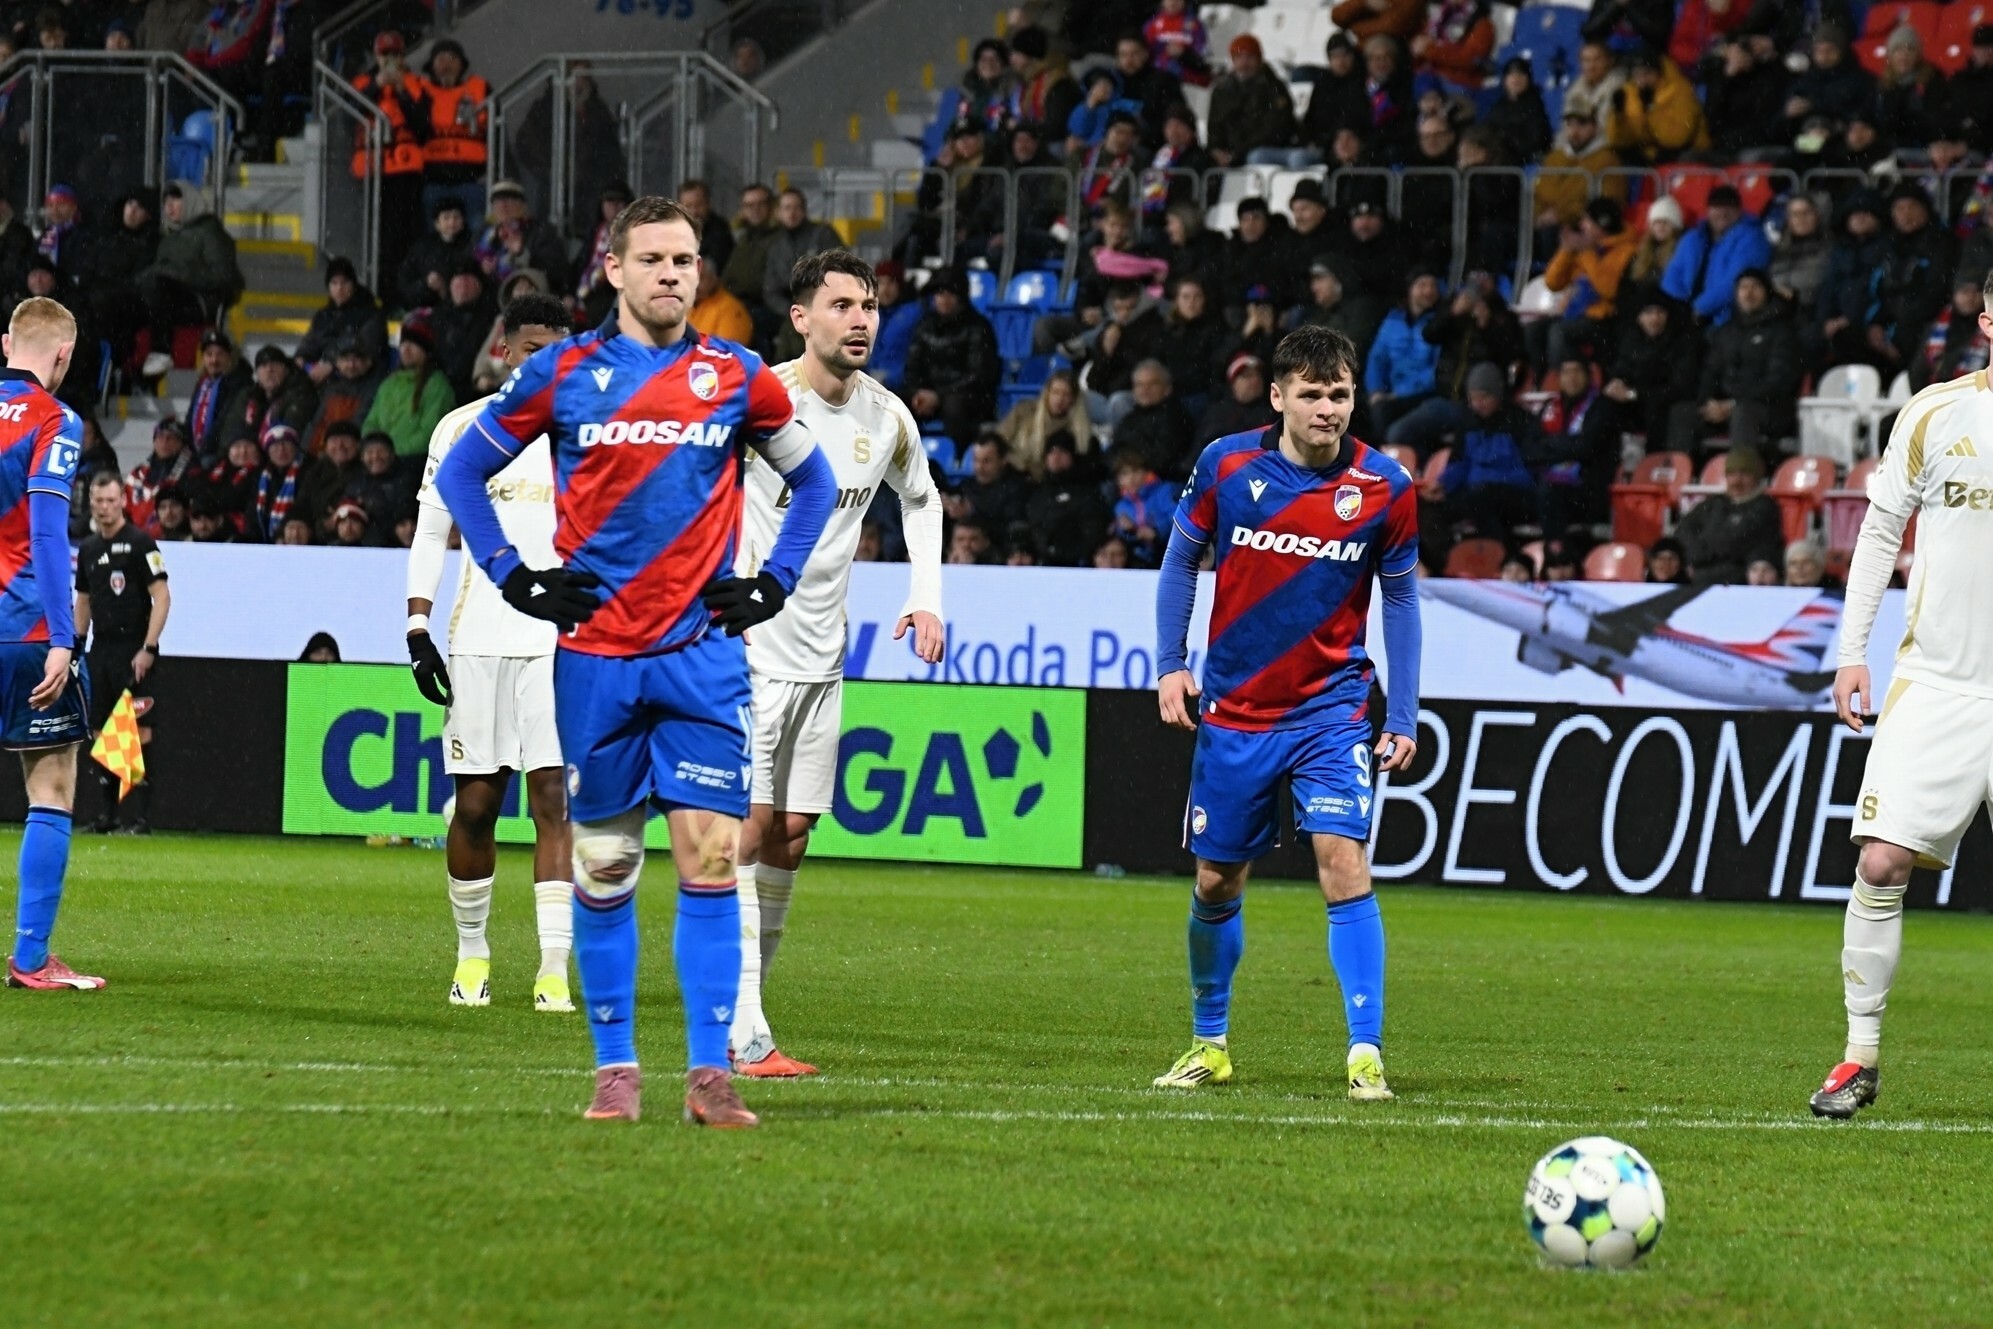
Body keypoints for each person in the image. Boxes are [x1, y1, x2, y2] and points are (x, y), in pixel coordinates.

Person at [432, 196, 838, 1128]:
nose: (670, 274)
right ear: (613, 269)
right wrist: (514, 575)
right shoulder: (563, 371)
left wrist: (774, 581)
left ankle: (709, 1075)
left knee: (710, 857)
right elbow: (459, 471)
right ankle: (615, 1071)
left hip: (702, 660)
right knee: (607, 864)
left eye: (684, 260)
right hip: (597, 661)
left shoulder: (735, 375)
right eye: (652, 259)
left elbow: (812, 479)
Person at [1152, 324, 1421, 1098]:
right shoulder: (1227, 465)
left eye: (1338, 394)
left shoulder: (1384, 486)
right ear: (1277, 397)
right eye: (1310, 394)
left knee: (1342, 860)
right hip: (1235, 711)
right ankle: (1209, 1042)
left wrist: (1401, 713)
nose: (1326, 408)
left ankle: (1364, 1052)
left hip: (1330, 711)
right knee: (1215, 881)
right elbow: (1180, 559)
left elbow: (1400, 599)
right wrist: (1170, 664)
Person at [728, 250, 946, 1076]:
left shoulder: (885, 416)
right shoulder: (761, 401)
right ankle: (744, 1028)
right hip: (748, 649)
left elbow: (921, 498)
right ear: (801, 318)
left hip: (824, 654)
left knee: (791, 832)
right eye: (843, 304)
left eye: (871, 305)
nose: (861, 320)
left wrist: (926, 596)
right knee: (747, 827)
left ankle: (745, 1007)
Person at [1813, 331, 1993, 1118]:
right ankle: (1859, 1057)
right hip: (1937, 682)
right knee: (1881, 861)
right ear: (1986, 323)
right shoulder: (1932, 412)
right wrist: (1851, 653)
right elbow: (1880, 529)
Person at [403, 292, 577, 1013]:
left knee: (554, 801)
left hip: (559, 644)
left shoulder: (587, 435)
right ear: (504, 351)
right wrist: (417, 627)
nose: (546, 363)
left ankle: (552, 970)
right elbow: (429, 532)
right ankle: (472, 953)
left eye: (558, 351)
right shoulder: (461, 428)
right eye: (533, 349)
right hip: (477, 639)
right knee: (475, 806)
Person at [0, 297, 101, 989]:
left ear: (5, 343)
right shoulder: (54, 419)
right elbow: (45, 532)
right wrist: (65, 638)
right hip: (25, 628)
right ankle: (31, 959)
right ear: (63, 354)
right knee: (52, 784)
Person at [73, 468, 168, 835]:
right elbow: (83, 600)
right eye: (98, 501)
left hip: (134, 647)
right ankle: (107, 815)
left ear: (123, 500)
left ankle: (142, 818)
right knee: (101, 730)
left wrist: (149, 647)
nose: (104, 507)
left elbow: (162, 597)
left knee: (139, 729)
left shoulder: (142, 543)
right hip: (101, 648)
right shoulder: (88, 549)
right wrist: (76, 646)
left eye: (111, 500)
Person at [1696, 269, 1802, 455]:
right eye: (1743, 287)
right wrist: (1708, 402)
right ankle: (1673, 470)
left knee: (1743, 413)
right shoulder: (1726, 331)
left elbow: (1778, 382)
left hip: (1770, 408)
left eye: (1755, 287)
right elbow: (1711, 371)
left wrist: (1734, 404)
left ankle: (1742, 471)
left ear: (1767, 292)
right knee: (1684, 413)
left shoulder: (1782, 330)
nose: (1748, 293)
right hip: (1727, 406)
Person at [902, 267, 1000, 450]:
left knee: (955, 406)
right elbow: (912, 368)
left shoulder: (978, 327)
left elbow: (979, 376)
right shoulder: (924, 326)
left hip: (968, 398)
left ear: (961, 296)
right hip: (930, 395)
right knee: (888, 402)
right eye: (939, 293)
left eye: (950, 293)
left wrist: (939, 396)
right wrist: (918, 392)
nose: (943, 298)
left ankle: (958, 456)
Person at [1661, 184, 1771, 327]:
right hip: (1684, 315)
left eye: (1729, 207)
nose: (1722, 213)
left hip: (1724, 320)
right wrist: (1677, 307)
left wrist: (1699, 308)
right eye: (1716, 206)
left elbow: (1735, 283)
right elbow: (1672, 275)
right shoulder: (1693, 238)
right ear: (1708, 210)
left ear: (1739, 211)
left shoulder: (1752, 239)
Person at [1673, 447, 1783, 584]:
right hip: (1702, 571)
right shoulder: (1714, 503)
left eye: (1744, 474)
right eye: (1731, 474)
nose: (1736, 481)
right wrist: (1696, 555)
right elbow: (1683, 530)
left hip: (1736, 578)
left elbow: (1732, 543)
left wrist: (1700, 555)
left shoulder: (1765, 506)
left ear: (1756, 477)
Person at [362, 317, 455, 470]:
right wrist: (374, 451)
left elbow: (430, 434)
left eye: (413, 345)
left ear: (426, 351)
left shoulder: (438, 386)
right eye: (403, 344)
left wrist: (392, 455)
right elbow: (371, 423)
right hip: (380, 462)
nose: (406, 349)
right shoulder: (389, 383)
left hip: (414, 464)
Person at [417, 38, 489, 227]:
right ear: (431, 65)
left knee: (476, 230)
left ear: (461, 65)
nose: (446, 65)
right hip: (432, 182)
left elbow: (496, 132)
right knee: (434, 235)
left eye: (452, 59)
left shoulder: (480, 89)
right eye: (441, 59)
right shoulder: (420, 92)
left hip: (471, 181)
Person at [1609, 48, 1711, 165]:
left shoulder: (1680, 91)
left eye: (1647, 74)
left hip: (1686, 153)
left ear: (1659, 73)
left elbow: (1677, 139)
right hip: (1652, 152)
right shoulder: (1631, 92)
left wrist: (1651, 109)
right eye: (1636, 75)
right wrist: (1618, 116)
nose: (1642, 81)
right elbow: (1618, 141)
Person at [296, 256, 388, 383]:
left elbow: (363, 347)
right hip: (327, 376)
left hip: (360, 378)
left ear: (353, 285)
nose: (339, 288)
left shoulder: (371, 314)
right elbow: (311, 341)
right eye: (334, 283)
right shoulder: (324, 315)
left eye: (344, 282)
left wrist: (332, 364)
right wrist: (301, 356)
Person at [1208, 35, 1297, 166]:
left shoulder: (1274, 87)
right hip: (1231, 153)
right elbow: (1215, 127)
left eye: (1249, 57)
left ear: (1259, 59)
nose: (1244, 63)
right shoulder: (1221, 91)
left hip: (1264, 150)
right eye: (1239, 57)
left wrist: (1239, 152)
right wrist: (1216, 150)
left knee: (1257, 157)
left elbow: (1275, 128)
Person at [996, 368, 1092, 480]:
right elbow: (998, 440)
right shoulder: (1024, 410)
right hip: (1011, 472)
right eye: (1055, 392)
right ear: (1047, 393)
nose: (1059, 399)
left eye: (1066, 395)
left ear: (1073, 399)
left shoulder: (1076, 430)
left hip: (1045, 481)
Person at [397, 200, 472, 313]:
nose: (452, 222)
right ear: (437, 224)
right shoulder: (422, 248)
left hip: (463, 311)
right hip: (425, 308)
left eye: (456, 217)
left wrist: (445, 291)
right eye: (446, 218)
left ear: (463, 222)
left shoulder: (472, 245)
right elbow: (405, 284)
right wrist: (425, 283)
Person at [186, 328, 249, 459]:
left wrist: (204, 450)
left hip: (221, 454)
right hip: (199, 453)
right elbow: (190, 418)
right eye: (209, 354)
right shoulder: (203, 383)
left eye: (220, 354)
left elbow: (225, 422)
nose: (214, 360)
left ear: (229, 357)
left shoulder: (238, 383)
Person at [1200, 352, 1279, 440]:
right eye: (1247, 375)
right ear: (1233, 383)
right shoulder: (1217, 416)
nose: (1255, 380)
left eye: (1258, 375)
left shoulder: (1274, 413)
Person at [688, 256, 753, 344]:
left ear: (714, 279)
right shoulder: (688, 305)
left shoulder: (730, 309)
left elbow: (726, 350)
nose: (695, 284)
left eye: (701, 278)